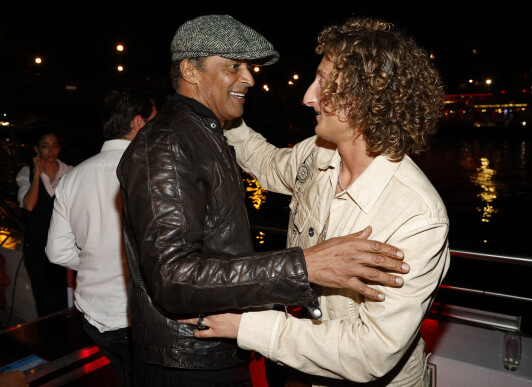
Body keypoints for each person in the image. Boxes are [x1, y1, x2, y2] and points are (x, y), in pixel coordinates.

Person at [117, 14, 409, 387]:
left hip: (212, 348)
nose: (250, 78)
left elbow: (266, 164)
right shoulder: (167, 145)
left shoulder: (203, 133)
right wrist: (303, 266)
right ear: (191, 70)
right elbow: (172, 278)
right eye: (234, 66)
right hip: (188, 361)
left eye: (249, 67)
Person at [185, 17, 451, 386]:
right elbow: (265, 162)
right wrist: (224, 113)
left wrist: (245, 326)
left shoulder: (416, 215)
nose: (308, 96)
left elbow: (370, 352)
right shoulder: (316, 153)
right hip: (300, 369)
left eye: (323, 83)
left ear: (364, 97)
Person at [45, 88, 157, 387]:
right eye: (153, 121)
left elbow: (56, 252)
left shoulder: (72, 177)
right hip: (139, 318)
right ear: (138, 123)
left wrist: (96, 260)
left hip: (94, 316)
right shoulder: (150, 172)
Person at [16, 130, 73, 318]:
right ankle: (49, 340)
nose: (51, 151)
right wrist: (37, 175)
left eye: (55, 146)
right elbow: (29, 205)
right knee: (43, 297)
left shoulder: (70, 172)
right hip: (36, 244)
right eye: (45, 146)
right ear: (36, 149)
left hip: (63, 243)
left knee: (64, 297)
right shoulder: (27, 172)